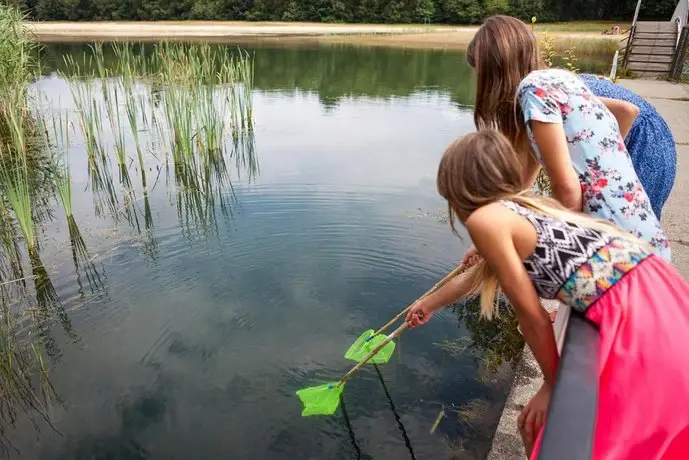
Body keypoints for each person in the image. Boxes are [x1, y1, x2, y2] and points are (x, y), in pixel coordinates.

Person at [407, 130, 689, 459]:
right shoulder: (527, 204)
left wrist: (551, 384)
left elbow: (532, 316)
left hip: (630, 311)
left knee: (605, 436)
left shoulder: (487, 220)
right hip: (654, 287)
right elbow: (479, 277)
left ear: (455, 187)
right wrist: (429, 303)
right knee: (540, 426)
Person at [463, 15, 670, 263]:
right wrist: (492, 233)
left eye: (481, 76)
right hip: (641, 230)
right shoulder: (562, 80)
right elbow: (524, 182)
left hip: (611, 246)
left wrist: (532, 241)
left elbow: (568, 192)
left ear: (495, 71)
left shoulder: (533, 91)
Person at [579, 73, 677, 219]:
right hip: (650, 133)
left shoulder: (551, 93)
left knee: (632, 217)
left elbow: (628, 111)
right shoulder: (562, 79)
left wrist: (607, 164)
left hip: (645, 143)